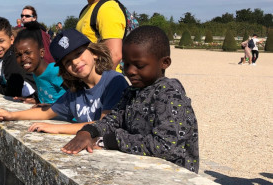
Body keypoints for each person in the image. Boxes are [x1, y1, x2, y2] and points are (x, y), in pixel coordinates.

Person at [62, 26, 200, 173]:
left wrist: (111, 140)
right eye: (126, 65)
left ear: (164, 63)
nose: (130, 71)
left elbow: (167, 146)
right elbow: (112, 120)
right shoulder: (131, 92)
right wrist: (88, 132)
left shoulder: (170, 94)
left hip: (174, 179)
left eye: (139, 66)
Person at [0, 29, 128, 135]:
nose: (75, 62)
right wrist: (11, 115)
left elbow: (105, 125)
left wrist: (58, 128)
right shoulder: (75, 92)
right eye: (68, 62)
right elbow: (47, 112)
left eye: (79, 53)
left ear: (94, 52)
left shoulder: (113, 81)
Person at [74, 0, 126, 70]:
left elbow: (115, 56)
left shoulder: (108, 9)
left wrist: (98, 84)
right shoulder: (87, 9)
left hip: (105, 82)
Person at [12, 28, 66, 104]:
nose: (23, 58)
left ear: (41, 53)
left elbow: (76, 96)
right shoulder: (35, 74)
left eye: (27, 52)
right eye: (18, 55)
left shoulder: (55, 71)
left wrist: (53, 108)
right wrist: (37, 101)